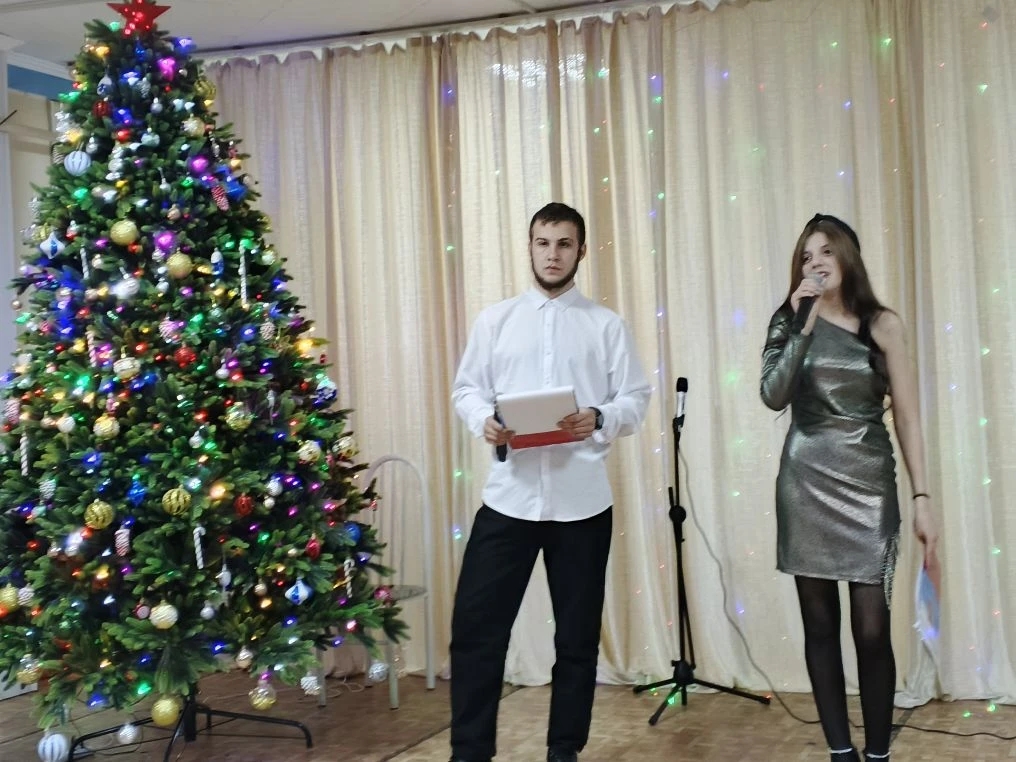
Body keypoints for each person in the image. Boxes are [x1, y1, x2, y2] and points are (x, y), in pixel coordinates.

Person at [449, 202, 651, 762]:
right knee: (476, 633)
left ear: (581, 251)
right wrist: (483, 419)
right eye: (543, 242)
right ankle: (469, 754)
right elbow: (466, 389)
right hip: (508, 499)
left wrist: (600, 417)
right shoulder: (495, 321)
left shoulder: (606, 325)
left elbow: (636, 398)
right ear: (530, 247)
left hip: (581, 504)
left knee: (577, 641)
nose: (553, 254)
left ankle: (564, 751)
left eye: (564, 244)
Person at [760, 214, 939, 762]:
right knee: (819, 627)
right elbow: (773, 395)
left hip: (868, 486)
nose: (815, 263)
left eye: (826, 252)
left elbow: (906, 416)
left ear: (848, 256)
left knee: (872, 631)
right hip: (805, 483)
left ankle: (878, 754)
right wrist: (803, 324)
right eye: (806, 255)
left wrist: (922, 497)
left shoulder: (883, 324)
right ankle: (841, 752)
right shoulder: (789, 319)